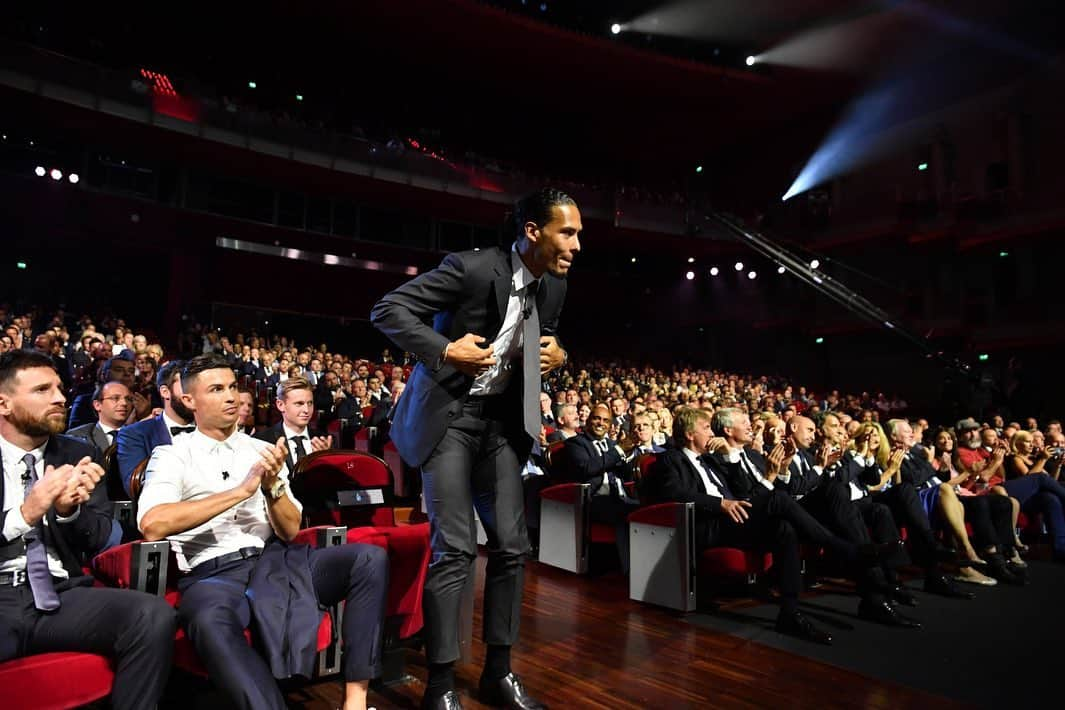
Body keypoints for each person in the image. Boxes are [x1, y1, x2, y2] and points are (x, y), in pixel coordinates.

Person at [371, 187, 579, 710]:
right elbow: (388, 308)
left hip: (502, 424)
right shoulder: (469, 268)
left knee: (512, 546)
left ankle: (498, 674)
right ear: (533, 230)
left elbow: (545, 337)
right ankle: (441, 684)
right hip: (449, 418)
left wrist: (559, 352)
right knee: (457, 547)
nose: (576, 245)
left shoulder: (555, 285)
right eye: (568, 232)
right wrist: (444, 349)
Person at [137, 354, 388, 710]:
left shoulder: (264, 451)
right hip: (212, 573)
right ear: (189, 400)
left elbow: (288, 531)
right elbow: (153, 523)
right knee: (208, 620)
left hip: (277, 560)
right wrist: (241, 492)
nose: (231, 397)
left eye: (233, 387)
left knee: (368, 556)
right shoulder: (172, 455)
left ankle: (356, 701)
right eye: (216, 389)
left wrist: (272, 488)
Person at [0, 351, 175, 710]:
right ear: (3, 403)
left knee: (152, 614)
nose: (60, 398)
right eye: (42, 390)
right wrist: (25, 513)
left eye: (60, 389)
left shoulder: (78, 453)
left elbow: (105, 538)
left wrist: (69, 511)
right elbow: (26, 514)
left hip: (58, 595)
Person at [66, 380, 132, 458]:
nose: (124, 403)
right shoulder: (77, 436)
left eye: (128, 399)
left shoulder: (140, 434)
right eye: (115, 398)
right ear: (97, 405)